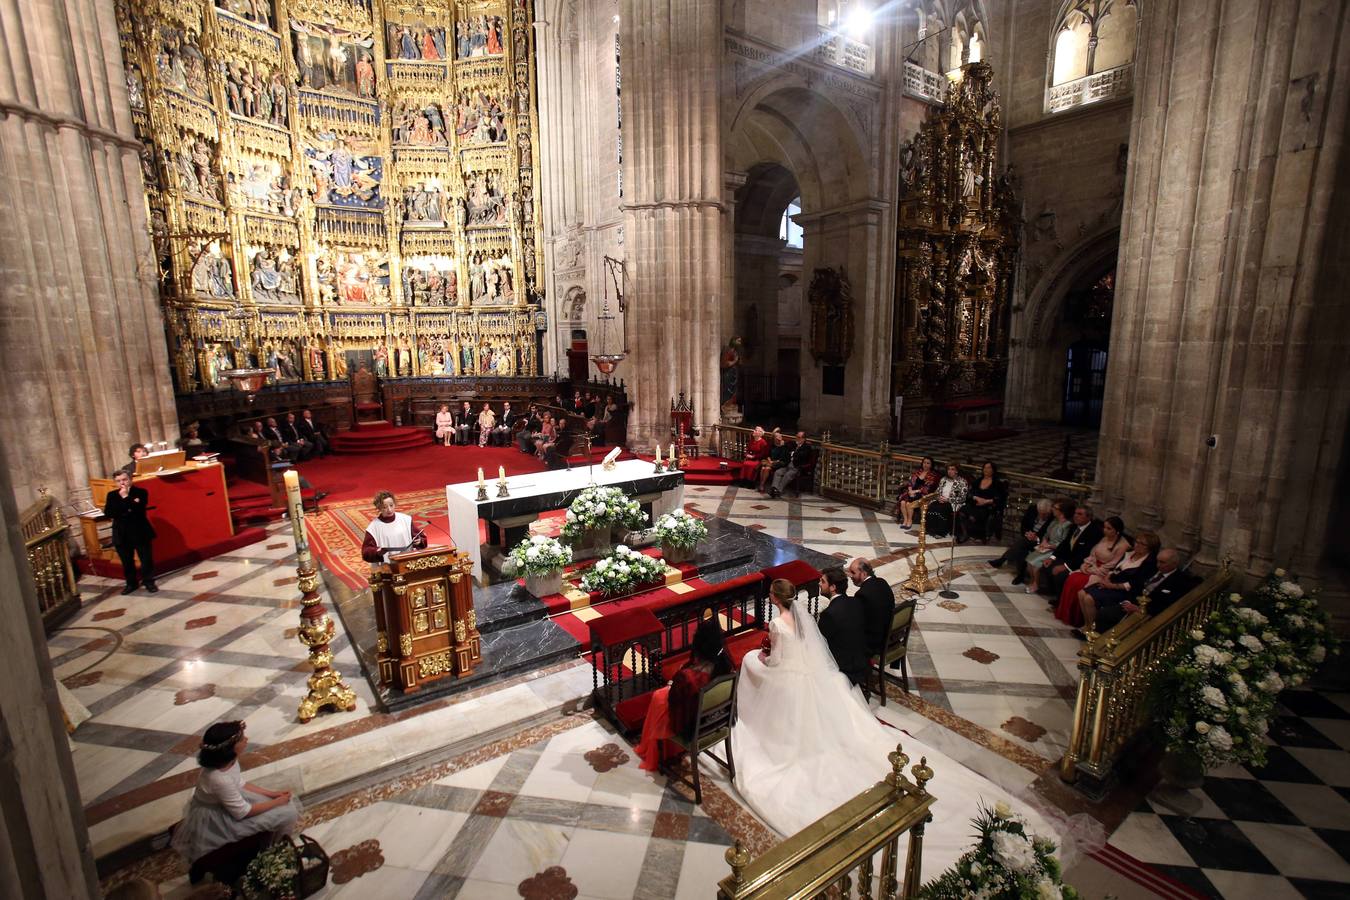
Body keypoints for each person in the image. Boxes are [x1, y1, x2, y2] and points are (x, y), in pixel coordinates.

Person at [170, 721, 300, 872]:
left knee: (285, 806)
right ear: (230, 748)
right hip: (218, 816)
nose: (247, 739)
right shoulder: (218, 779)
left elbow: (239, 783)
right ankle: (275, 853)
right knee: (288, 812)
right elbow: (242, 812)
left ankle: (274, 845)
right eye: (241, 739)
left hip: (231, 801)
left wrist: (272, 794)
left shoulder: (228, 761)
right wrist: (277, 802)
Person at [634, 618, 732, 771]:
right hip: (715, 721)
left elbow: (677, 710)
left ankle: (662, 752)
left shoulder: (687, 677)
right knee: (660, 697)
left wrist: (672, 685)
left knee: (658, 699)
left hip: (692, 726)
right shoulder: (725, 665)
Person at [1095, 548, 1198, 632]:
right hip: (1131, 601)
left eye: (1163, 562)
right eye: (1158, 561)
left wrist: (1140, 610)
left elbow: (1168, 605)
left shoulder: (1179, 581)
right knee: (1104, 612)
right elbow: (1136, 585)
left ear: (1174, 564)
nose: (1158, 565)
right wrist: (1128, 601)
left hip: (1148, 613)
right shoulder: (1152, 569)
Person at [1078, 531, 1160, 634]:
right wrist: (1107, 578)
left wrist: (1111, 585)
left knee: (1089, 599)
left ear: (1150, 547)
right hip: (1111, 583)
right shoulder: (1130, 552)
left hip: (1123, 591)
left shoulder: (1149, 563)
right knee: (1081, 593)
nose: (1137, 545)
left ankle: (1093, 631)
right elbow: (1115, 568)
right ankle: (1088, 625)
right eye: (1136, 541)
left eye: (1142, 544)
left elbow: (1133, 584)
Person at [1054, 515, 1129, 627]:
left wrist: (1093, 570)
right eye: (1104, 527)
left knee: (1080, 583)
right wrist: (1086, 564)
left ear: (1117, 531)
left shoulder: (1123, 545)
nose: (1105, 531)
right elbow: (1093, 554)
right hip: (1092, 567)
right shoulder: (1104, 539)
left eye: (1109, 528)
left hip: (1103, 573)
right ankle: (1066, 615)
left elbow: (1113, 564)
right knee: (1072, 578)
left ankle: (1081, 620)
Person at [104, 470, 157, 594]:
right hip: (121, 532)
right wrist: (127, 505)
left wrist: (125, 498)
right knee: (126, 560)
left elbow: (138, 510)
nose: (122, 483)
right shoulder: (111, 495)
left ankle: (148, 581)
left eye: (124, 480)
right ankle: (131, 583)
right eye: (118, 481)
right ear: (115, 483)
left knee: (146, 559)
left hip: (139, 530)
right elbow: (109, 513)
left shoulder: (141, 492)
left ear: (130, 480)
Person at [816, 567, 869, 688]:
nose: (819, 584)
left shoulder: (828, 614)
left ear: (833, 587)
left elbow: (820, 644)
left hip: (843, 667)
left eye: (823, 581)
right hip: (860, 660)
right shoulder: (856, 602)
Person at [1039, 504, 1103, 598]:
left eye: (1080, 514)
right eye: (1075, 513)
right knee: (1046, 565)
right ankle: (1052, 592)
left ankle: (1060, 600)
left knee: (1061, 575)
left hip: (1081, 563)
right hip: (1068, 557)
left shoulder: (1094, 532)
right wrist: (1052, 557)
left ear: (1088, 517)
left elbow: (1085, 554)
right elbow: (1064, 544)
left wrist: (1065, 566)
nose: (1076, 516)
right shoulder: (1074, 527)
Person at [846, 557, 895, 660]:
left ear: (863, 574)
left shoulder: (863, 594)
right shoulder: (882, 582)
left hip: (876, 643)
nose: (850, 575)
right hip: (890, 635)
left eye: (853, 572)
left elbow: (858, 622)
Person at [360, 492, 427, 566]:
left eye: (391, 505)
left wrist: (419, 541)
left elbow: (420, 537)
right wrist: (377, 551)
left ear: (395, 504)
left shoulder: (406, 519)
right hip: (387, 566)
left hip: (408, 562)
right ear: (379, 508)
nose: (389, 509)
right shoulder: (373, 527)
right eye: (385, 507)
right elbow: (366, 552)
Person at [1021, 499, 1074, 591]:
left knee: (1036, 564)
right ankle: (1033, 581)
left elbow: (1064, 543)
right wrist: (1044, 541)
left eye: (1055, 508)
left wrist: (1049, 546)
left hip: (1056, 550)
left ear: (1062, 512)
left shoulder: (1067, 525)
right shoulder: (1055, 521)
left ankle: (1036, 584)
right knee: (1029, 560)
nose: (1052, 509)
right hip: (1047, 546)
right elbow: (1046, 534)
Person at [993, 497, 1052, 575]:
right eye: (1040, 513)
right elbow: (1024, 524)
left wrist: (1036, 538)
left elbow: (1047, 535)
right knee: (1022, 548)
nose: (1042, 516)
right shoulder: (1032, 509)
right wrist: (1027, 533)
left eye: (1044, 514)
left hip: (1039, 541)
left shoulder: (1052, 518)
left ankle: (1002, 560)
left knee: (1021, 543)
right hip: (1029, 535)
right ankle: (1020, 574)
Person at [963, 461, 1007, 543]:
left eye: (989, 468)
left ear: (993, 470)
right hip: (975, 503)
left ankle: (979, 535)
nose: (986, 469)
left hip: (989, 505)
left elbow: (1001, 498)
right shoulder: (978, 481)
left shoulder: (997, 483)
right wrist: (976, 497)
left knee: (980, 512)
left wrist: (986, 501)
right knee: (962, 508)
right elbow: (970, 493)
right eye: (985, 468)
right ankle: (967, 532)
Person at [929, 463, 969, 540]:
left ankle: (941, 532)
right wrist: (938, 498)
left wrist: (948, 500)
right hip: (941, 499)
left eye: (952, 469)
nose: (949, 471)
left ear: (957, 471)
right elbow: (937, 492)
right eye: (948, 469)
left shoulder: (962, 482)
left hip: (953, 502)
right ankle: (931, 530)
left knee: (941, 509)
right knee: (932, 506)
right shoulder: (943, 479)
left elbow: (962, 498)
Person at [896, 457, 939, 529]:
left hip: (922, 494)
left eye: (928, 463)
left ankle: (910, 521)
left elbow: (927, 488)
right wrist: (910, 490)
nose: (925, 464)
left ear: (931, 465)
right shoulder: (918, 472)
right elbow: (910, 483)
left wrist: (915, 491)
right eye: (924, 462)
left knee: (908, 503)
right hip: (911, 492)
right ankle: (905, 520)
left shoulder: (932, 475)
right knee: (903, 502)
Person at [769, 432, 814, 497]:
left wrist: (794, 452)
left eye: (799, 437)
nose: (797, 439)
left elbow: (802, 456)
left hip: (796, 467)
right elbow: (785, 446)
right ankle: (774, 489)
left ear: (803, 439)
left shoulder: (807, 447)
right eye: (796, 436)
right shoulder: (793, 444)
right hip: (787, 465)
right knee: (778, 472)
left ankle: (778, 490)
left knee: (788, 475)